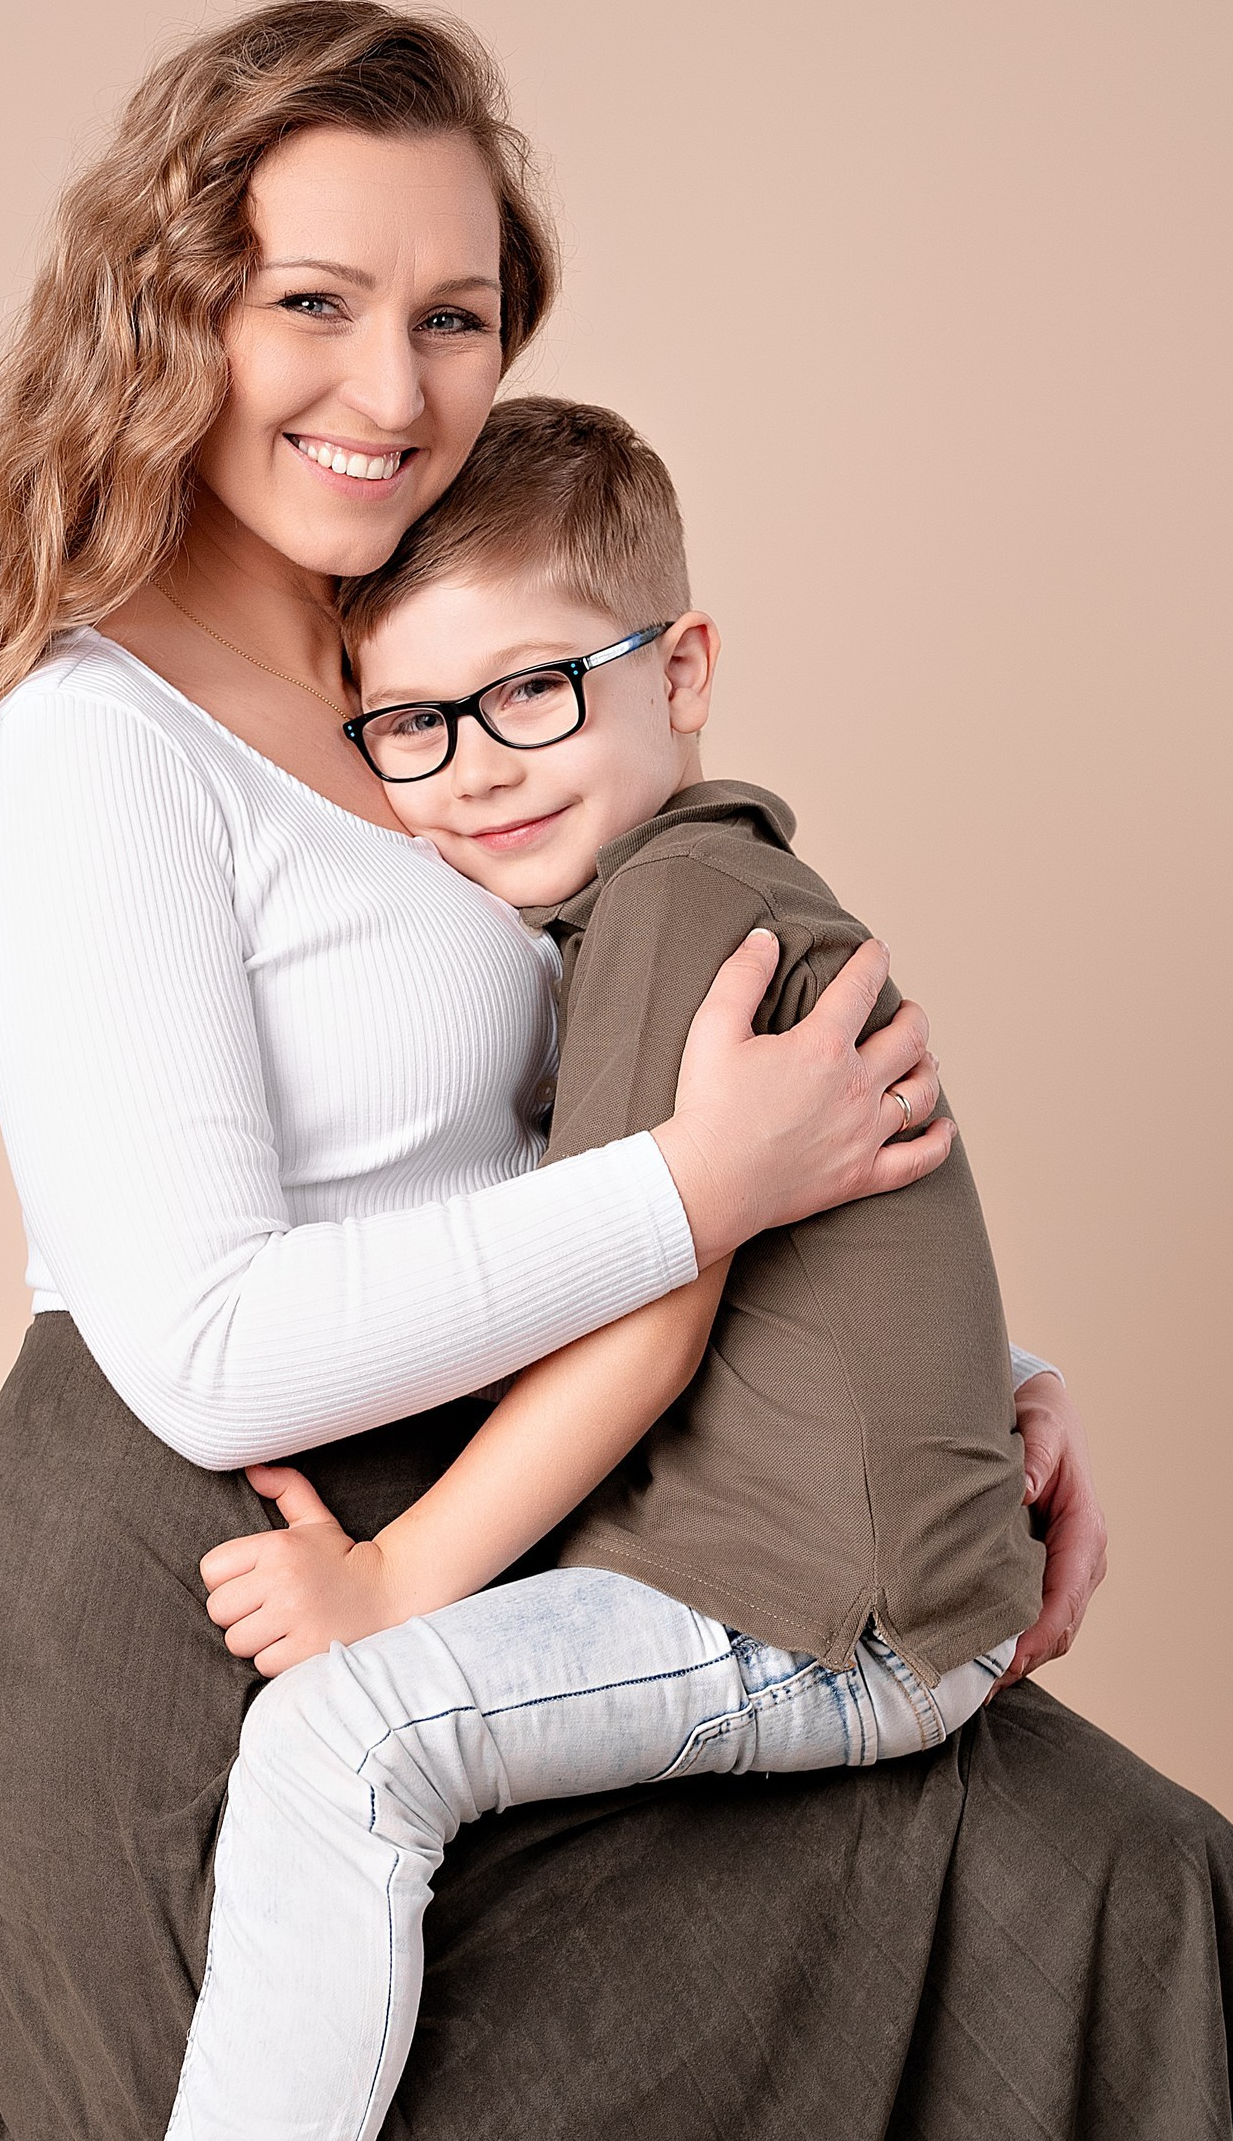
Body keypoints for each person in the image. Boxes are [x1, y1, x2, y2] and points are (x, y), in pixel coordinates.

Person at [0, 0, 1233, 2141]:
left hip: (540, 1517)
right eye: (313, 303)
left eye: (453, 314)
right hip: (193, 1629)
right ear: (175, 317)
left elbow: (621, 1109)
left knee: (1141, 1880)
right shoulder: (97, 745)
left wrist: (954, 1364)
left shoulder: (427, 683)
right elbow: (213, 1344)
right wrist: (700, 1199)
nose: (392, 388)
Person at [171, 393, 1053, 2137]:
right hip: (824, 1566)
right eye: (410, 722)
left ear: (683, 669)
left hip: (831, 1615)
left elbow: (638, 1328)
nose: (480, 764)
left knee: (341, 1743)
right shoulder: (672, 899)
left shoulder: (673, 908)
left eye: (533, 689)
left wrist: (389, 1584)